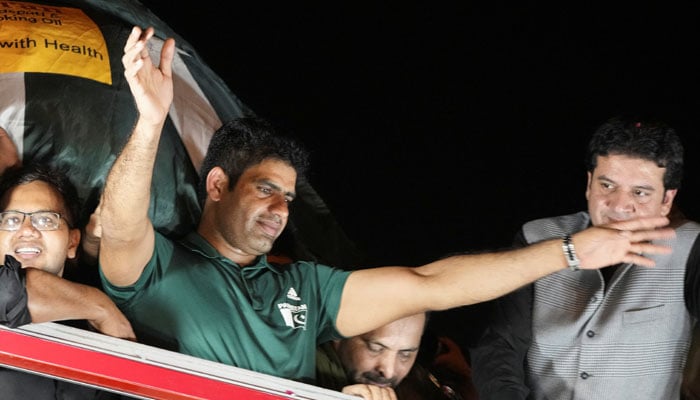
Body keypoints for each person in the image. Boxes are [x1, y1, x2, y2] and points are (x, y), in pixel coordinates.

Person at [96, 26, 675, 385]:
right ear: (218, 185)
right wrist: (151, 122)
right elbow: (122, 227)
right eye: (265, 189)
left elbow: (430, 283)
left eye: (290, 198)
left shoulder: (308, 288)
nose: (280, 209)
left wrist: (569, 251)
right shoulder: (159, 269)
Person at [469, 116, 700, 400]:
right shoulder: (537, 236)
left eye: (639, 193)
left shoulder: (692, 247)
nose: (619, 205)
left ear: (666, 200)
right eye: (607, 186)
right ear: (589, 183)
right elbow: (499, 345)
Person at [0, 163, 135, 399]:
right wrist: (100, 307)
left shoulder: (97, 340)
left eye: (46, 220)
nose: (28, 230)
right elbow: (10, 292)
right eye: (11, 220)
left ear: (72, 243)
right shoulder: (102, 313)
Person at [316, 312, 476, 400]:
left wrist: (467, 380)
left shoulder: (416, 381)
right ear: (338, 331)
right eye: (375, 348)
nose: (389, 371)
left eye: (405, 354)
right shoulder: (302, 368)